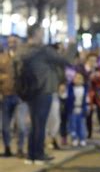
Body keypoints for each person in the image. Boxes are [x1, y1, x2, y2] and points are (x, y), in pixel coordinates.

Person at [19, 24, 76, 164]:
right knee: (40, 123)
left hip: (29, 90)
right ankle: (38, 154)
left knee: (34, 123)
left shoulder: (22, 50)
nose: (43, 34)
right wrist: (72, 45)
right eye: (41, 32)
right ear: (36, 33)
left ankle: (31, 154)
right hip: (44, 90)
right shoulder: (43, 51)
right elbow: (66, 61)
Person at [0, 35, 28, 157]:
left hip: (20, 96)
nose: (12, 43)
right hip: (5, 95)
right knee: (5, 126)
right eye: (10, 41)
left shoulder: (24, 58)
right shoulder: (2, 58)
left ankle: (20, 148)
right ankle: (7, 148)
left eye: (15, 41)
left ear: (19, 43)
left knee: (21, 125)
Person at [66, 73, 88, 147]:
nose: (77, 80)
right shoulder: (70, 88)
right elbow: (68, 98)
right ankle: (74, 139)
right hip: (72, 109)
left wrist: (87, 107)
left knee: (81, 125)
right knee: (73, 125)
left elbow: (86, 99)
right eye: (75, 78)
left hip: (81, 109)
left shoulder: (84, 88)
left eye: (79, 78)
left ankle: (82, 139)